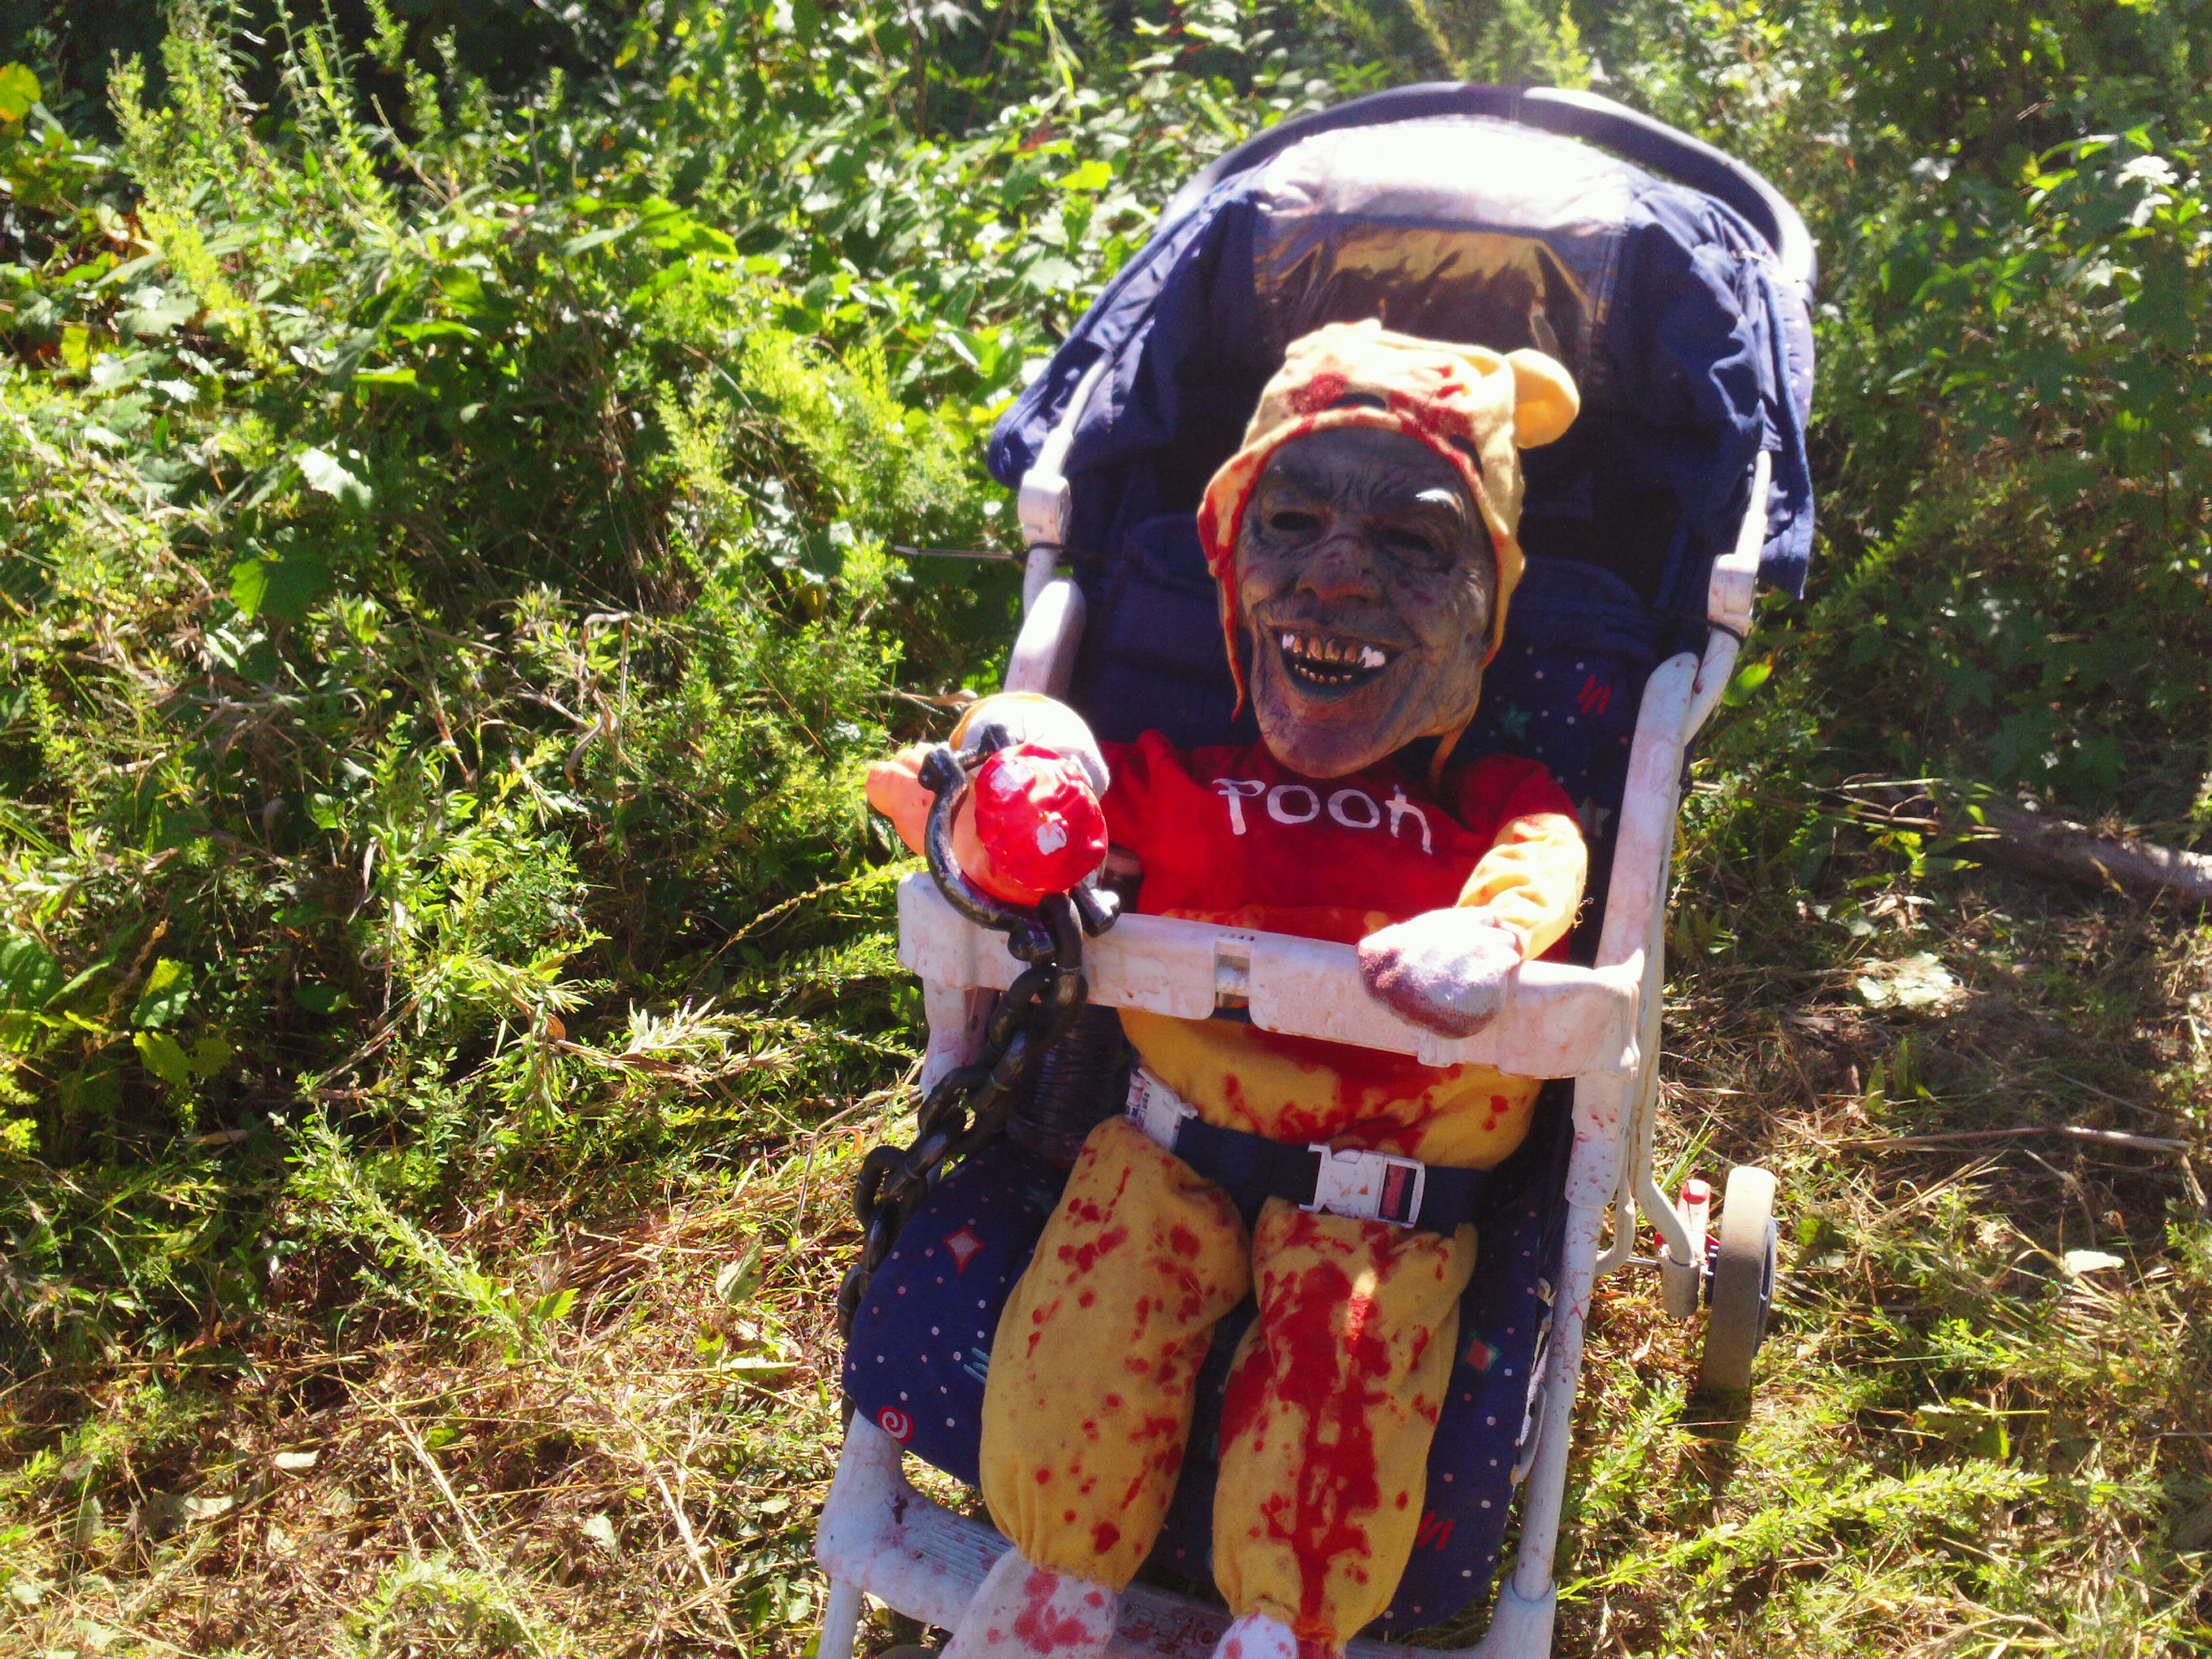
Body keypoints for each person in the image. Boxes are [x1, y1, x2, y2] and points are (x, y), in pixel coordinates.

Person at [867, 319, 1587, 1659]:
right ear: (1226, 569)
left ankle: (1282, 1630)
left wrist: (1490, 930)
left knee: (1340, 1405)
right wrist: (989, 808)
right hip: (1166, 1149)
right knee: (1086, 1343)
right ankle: (1053, 1594)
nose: (1336, 575)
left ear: (1486, 606)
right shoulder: (1177, 776)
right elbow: (1048, 824)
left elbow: (1544, 848)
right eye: (1292, 525)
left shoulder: (1479, 805)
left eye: (1413, 543)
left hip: (1384, 1203)